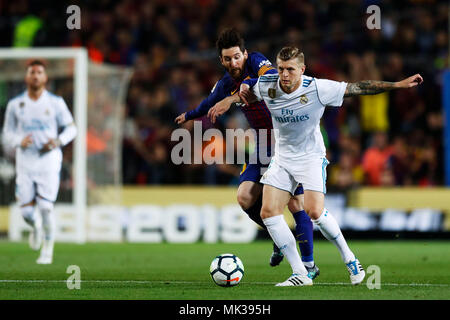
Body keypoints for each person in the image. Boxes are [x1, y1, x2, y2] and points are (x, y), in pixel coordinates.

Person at [228, 46, 423, 286]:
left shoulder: (318, 88)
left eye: (290, 69)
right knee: (268, 212)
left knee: (314, 212)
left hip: (311, 157)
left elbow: (359, 87)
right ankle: (300, 273)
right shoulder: (268, 85)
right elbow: (245, 92)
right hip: (282, 158)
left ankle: (350, 259)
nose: (284, 75)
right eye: (280, 69)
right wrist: (235, 95)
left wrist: (396, 85)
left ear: (302, 69)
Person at [175, 29, 319, 278]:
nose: (234, 62)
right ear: (221, 60)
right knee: (244, 198)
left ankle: (308, 265)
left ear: (244, 54)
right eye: (228, 59)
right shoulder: (224, 83)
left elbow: (271, 75)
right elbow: (207, 104)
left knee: (296, 204)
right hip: (262, 142)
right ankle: (279, 238)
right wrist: (189, 115)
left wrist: (236, 94)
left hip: (286, 141)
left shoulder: (256, 61)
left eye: (237, 56)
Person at [2, 60, 77, 264]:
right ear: (27, 77)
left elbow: (72, 129)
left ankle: (47, 251)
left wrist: (58, 141)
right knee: (26, 211)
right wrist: (19, 141)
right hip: (25, 161)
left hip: (49, 160)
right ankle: (34, 226)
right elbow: (6, 134)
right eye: (32, 72)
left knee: (46, 207)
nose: (35, 75)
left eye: (39, 72)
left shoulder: (55, 103)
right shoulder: (15, 105)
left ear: (45, 78)